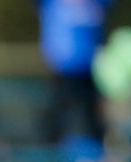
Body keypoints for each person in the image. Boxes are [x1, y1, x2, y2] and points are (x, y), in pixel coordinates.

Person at [37, 0, 113, 146]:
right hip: (61, 69)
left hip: (93, 70)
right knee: (57, 118)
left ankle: (97, 158)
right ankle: (49, 156)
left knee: (93, 119)